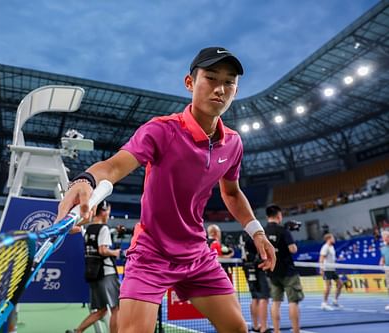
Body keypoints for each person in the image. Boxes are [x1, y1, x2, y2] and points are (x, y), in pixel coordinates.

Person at [57, 46, 276, 333]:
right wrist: (84, 180)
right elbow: (113, 167)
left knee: (237, 328)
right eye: (211, 78)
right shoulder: (161, 130)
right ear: (190, 83)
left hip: (197, 254)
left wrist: (257, 231)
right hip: (151, 254)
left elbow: (232, 193)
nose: (220, 89)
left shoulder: (233, 144)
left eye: (229, 82)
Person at [67, 201, 121, 333]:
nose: (109, 214)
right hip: (106, 273)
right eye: (108, 210)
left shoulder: (89, 229)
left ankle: (78, 331)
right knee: (116, 308)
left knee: (101, 310)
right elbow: (102, 250)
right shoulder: (104, 228)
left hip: (93, 273)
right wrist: (116, 252)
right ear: (103, 211)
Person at [264, 204, 303, 333]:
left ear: (267, 217)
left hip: (272, 271)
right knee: (293, 302)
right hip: (288, 271)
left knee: (275, 302)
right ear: (279, 216)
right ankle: (296, 331)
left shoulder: (263, 232)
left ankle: (276, 331)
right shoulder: (283, 230)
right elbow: (293, 249)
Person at [240, 232, 271, 333]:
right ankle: (263, 327)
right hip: (258, 266)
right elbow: (260, 249)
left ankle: (255, 325)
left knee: (255, 297)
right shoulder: (254, 234)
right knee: (263, 297)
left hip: (247, 266)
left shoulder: (242, 236)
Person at [319, 233, 342, 310]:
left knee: (340, 284)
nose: (334, 239)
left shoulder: (332, 247)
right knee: (328, 286)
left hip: (332, 269)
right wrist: (321, 269)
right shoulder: (325, 247)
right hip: (326, 269)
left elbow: (331, 258)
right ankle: (324, 303)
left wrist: (338, 259)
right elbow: (321, 258)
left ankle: (335, 301)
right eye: (333, 238)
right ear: (329, 239)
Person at [380, 230, 389, 311]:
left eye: (384, 236)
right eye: (382, 237)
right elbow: (383, 258)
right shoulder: (382, 248)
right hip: (387, 269)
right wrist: (381, 262)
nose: (383, 238)